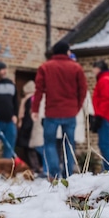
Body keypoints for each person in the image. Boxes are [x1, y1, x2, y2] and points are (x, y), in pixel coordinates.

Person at [30, 41, 88, 181]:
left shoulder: (45, 67)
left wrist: (35, 109)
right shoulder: (76, 68)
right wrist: (77, 106)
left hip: (52, 112)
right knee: (69, 144)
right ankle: (68, 174)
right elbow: (83, 90)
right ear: (67, 51)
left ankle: (54, 174)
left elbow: (38, 91)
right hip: (70, 112)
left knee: (49, 143)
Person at [91, 60, 109, 172]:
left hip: (105, 117)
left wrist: (99, 116)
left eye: (94, 68)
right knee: (103, 144)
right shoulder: (104, 80)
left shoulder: (104, 80)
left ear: (98, 68)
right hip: (105, 116)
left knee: (104, 144)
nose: (93, 71)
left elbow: (105, 99)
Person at [16, 81, 44, 173]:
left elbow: (29, 115)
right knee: (33, 148)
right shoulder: (35, 98)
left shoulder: (30, 99)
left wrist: (25, 128)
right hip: (35, 127)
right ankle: (37, 167)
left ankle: (36, 167)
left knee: (32, 148)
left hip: (31, 128)